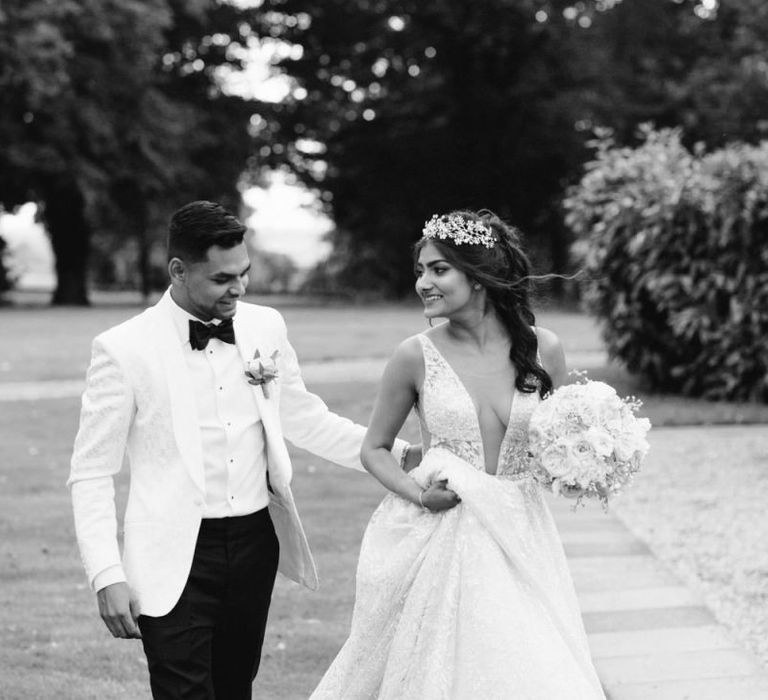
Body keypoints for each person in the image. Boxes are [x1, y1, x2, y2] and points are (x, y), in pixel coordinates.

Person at [67, 200, 416, 700]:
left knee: (235, 689)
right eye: (222, 279)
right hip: (172, 555)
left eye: (244, 274)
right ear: (179, 271)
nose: (239, 288)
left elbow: (306, 419)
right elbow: (91, 472)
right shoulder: (123, 349)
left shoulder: (265, 327)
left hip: (254, 544)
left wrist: (400, 454)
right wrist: (106, 573)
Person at [310, 209, 606, 699]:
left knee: (532, 664)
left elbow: (555, 442)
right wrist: (417, 494)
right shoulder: (414, 355)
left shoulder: (544, 349)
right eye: (420, 271)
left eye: (438, 269)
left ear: (480, 274)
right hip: (446, 533)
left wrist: (586, 460)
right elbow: (375, 449)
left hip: (521, 530)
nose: (424, 282)